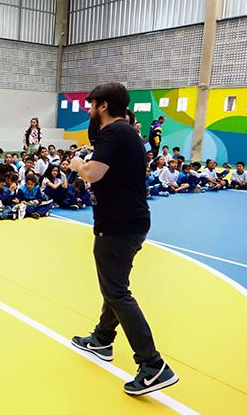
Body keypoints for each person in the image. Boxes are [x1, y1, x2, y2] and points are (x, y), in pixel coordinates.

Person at [69, 82, 177, 396]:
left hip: (117, 225)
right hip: (130, 221)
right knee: (113, 285)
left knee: (116, 291)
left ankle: (152, 364)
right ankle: (102, 339)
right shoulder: (129, 132)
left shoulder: (113, 133)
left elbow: (93, 173)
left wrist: (78, 164)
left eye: (91, 104)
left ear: (102, 105)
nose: (89, 109)